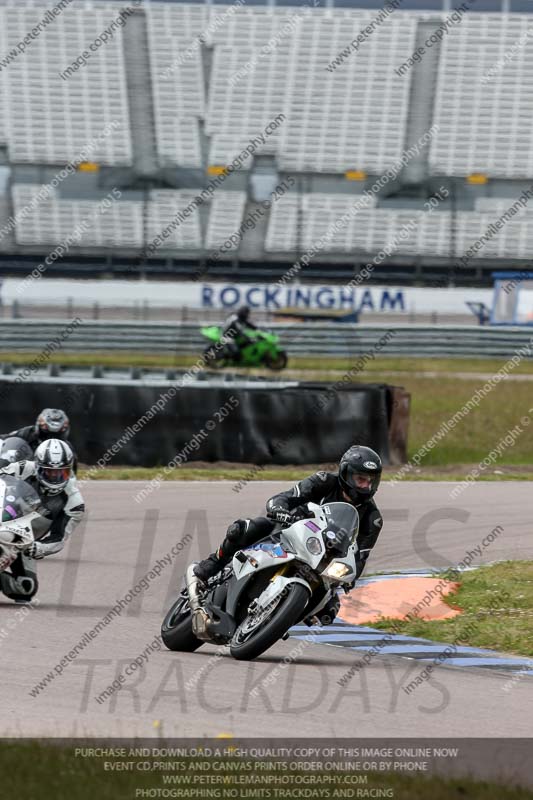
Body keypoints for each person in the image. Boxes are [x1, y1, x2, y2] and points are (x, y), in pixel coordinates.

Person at [193, 445, 384, 624]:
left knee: (329, 611)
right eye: (360, 479)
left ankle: (278, 620)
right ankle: (210, 566)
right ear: (346, 473)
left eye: (370, 481)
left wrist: (350, 577)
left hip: (324, 560)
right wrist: (279, 509)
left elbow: (360, 557)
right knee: (242, 529)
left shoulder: (373, 519)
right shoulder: (324, 481)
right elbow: (286, 497)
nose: (365, 486)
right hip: (289, 530)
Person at [0, 438, 85, 602]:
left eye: (61, 472)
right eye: (49, 472)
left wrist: (37, 548)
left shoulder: (74, 503)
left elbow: (58, 538)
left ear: (69, 471)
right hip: (3, 516)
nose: (54, 477)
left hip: (25, 541)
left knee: (26, 588)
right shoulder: (23, 468)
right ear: (37, 466)